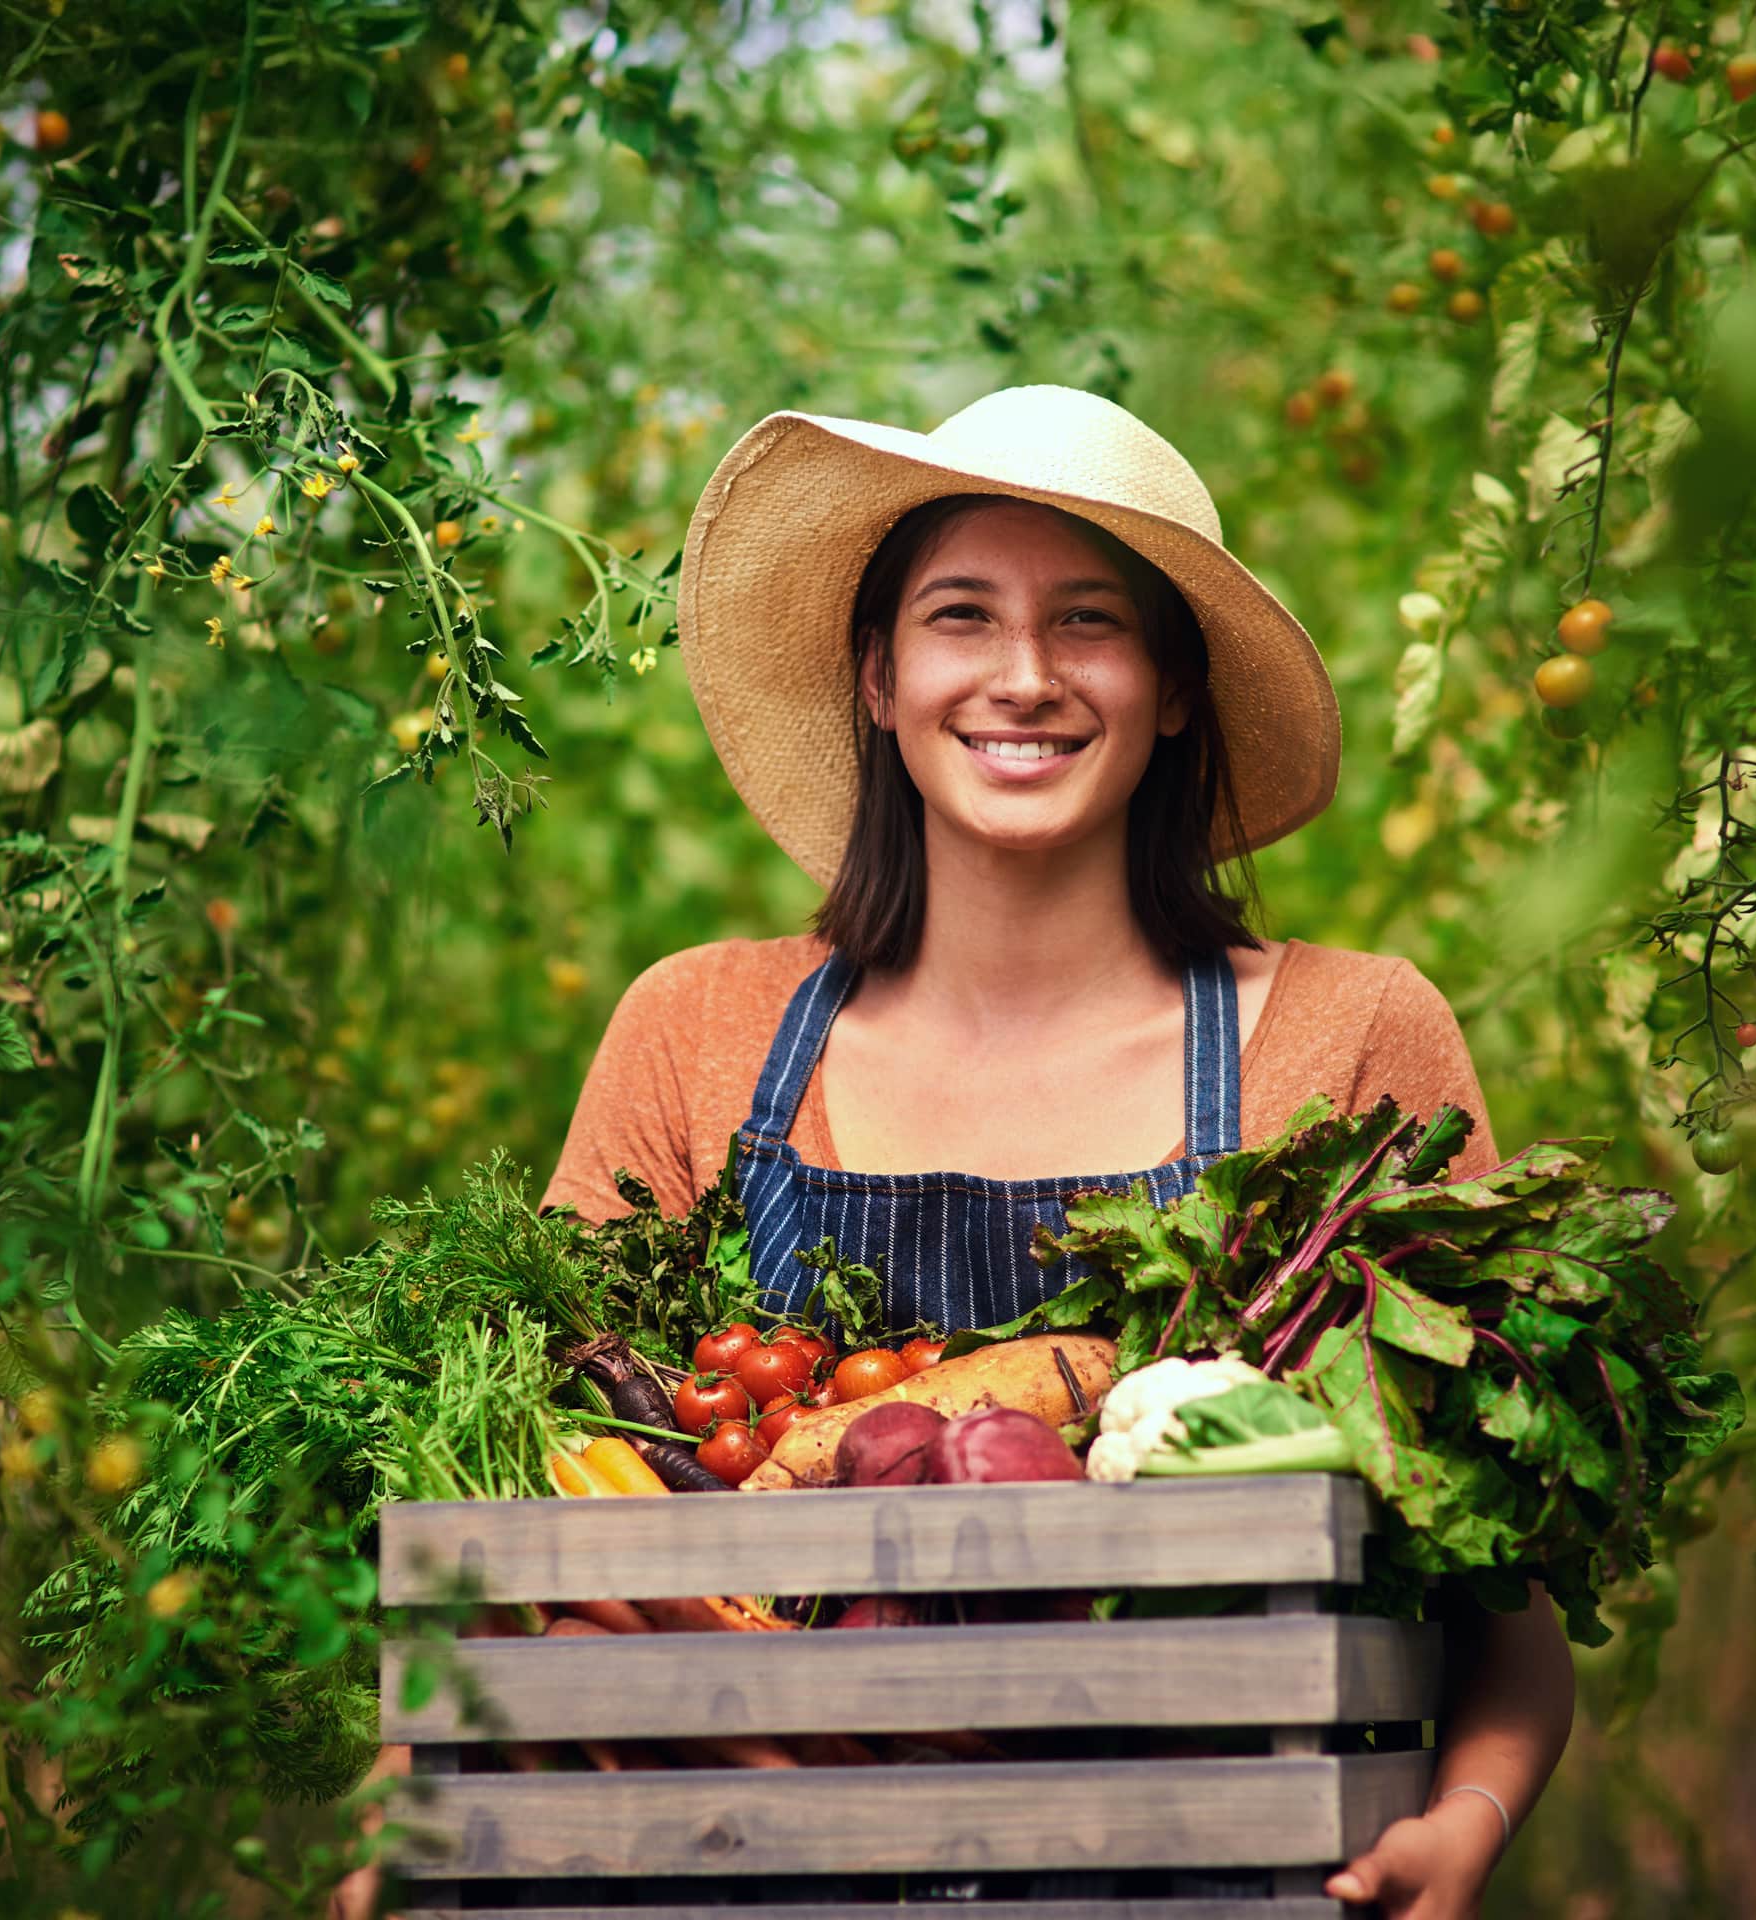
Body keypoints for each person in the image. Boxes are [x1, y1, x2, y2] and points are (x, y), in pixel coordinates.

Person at [542, 384, 1574, 1918]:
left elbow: (1506, 1581)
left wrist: (1470, 1819)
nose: (1024, 678)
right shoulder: (699, 1032)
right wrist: (411, 1791)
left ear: (1168, 687)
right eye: (964, 617)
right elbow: (533, 1529)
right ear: (880, 676)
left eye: (1089, 622)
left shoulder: (1352, 1046)